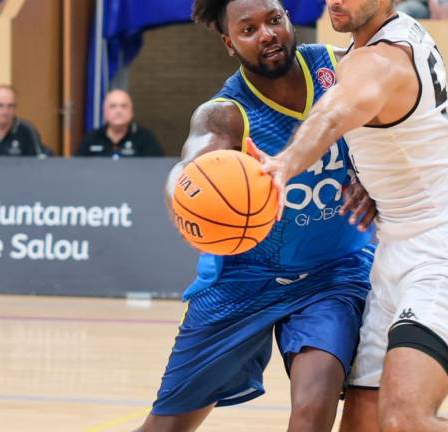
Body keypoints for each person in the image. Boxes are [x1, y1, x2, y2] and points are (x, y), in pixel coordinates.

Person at [253, 1, 448, 431]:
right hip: (393, 253)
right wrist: (364, 180)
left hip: (446, 254)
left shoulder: (383, 59)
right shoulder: (376, 44)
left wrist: (285, 163)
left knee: (404, 421)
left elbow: (335, 112)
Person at [135, 0, 376, 431]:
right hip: (243, 278)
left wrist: (375, 180)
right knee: (165, 428)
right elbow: (190, 168)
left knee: (313, 405)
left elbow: (394, 125)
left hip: (333, 273)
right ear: (230, 43)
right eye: (249, 29)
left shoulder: (338, 69)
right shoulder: (225, 113)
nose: (266, 34)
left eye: (274, 20)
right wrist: (180, 192)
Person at [74, 89, 163, 158]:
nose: (118, 111)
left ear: (131, 112)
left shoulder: (145, 138)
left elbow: (158, 169)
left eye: (123, 106)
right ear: (104, 112)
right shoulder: (91, 139)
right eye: (113, 106)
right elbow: (77, 169)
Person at [0, 85, 47, 157]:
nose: (5, 111)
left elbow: (39, 162)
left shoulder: (27, 131)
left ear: (16, 107)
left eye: (10, 106)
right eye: (0, 105)